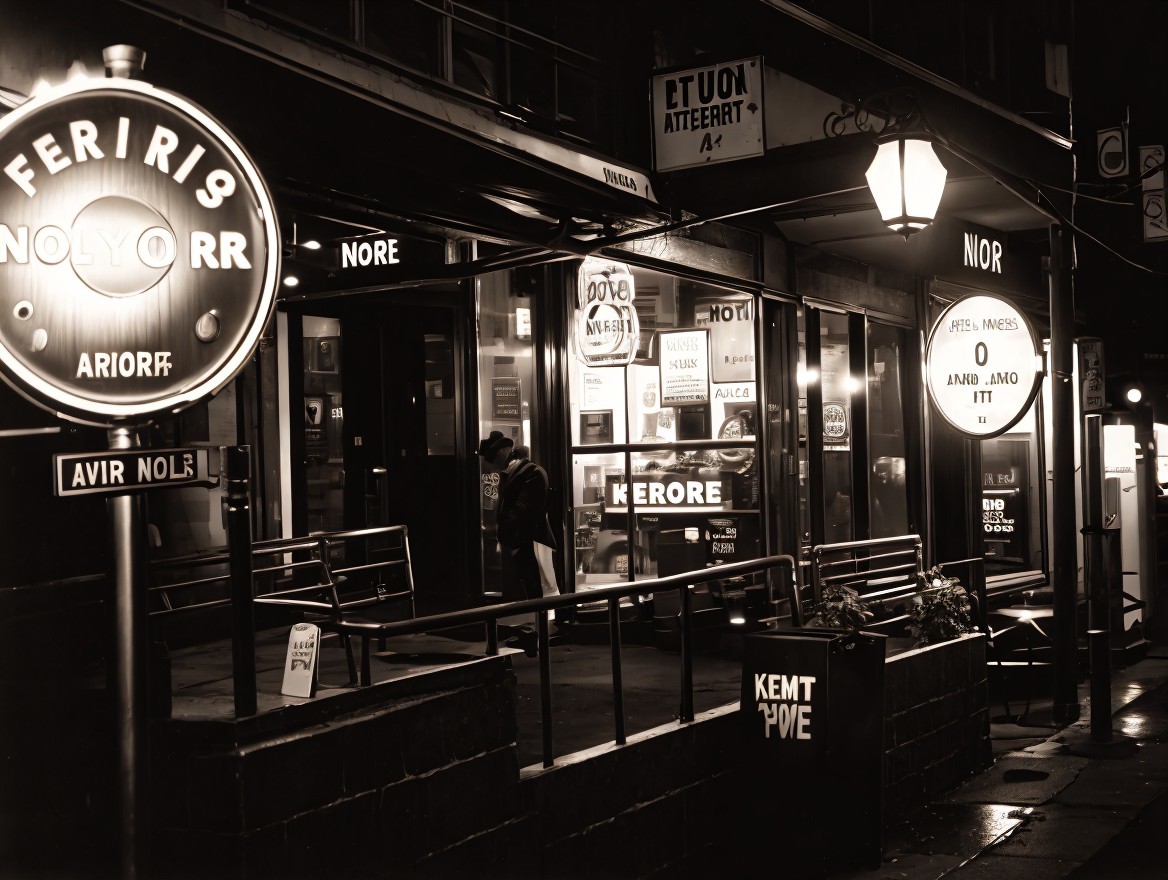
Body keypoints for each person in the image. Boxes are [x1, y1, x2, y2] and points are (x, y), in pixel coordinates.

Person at [478, 432, 558, 653]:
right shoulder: (520, 473)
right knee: (532, 589)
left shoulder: (528, 474)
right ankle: (536, 636)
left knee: (536, 590)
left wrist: (510, 537)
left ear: (504, 453)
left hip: (527, 539)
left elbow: (521, 513)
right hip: (522, 539)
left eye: (493, 461)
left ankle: (538, 638)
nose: (492, 469)